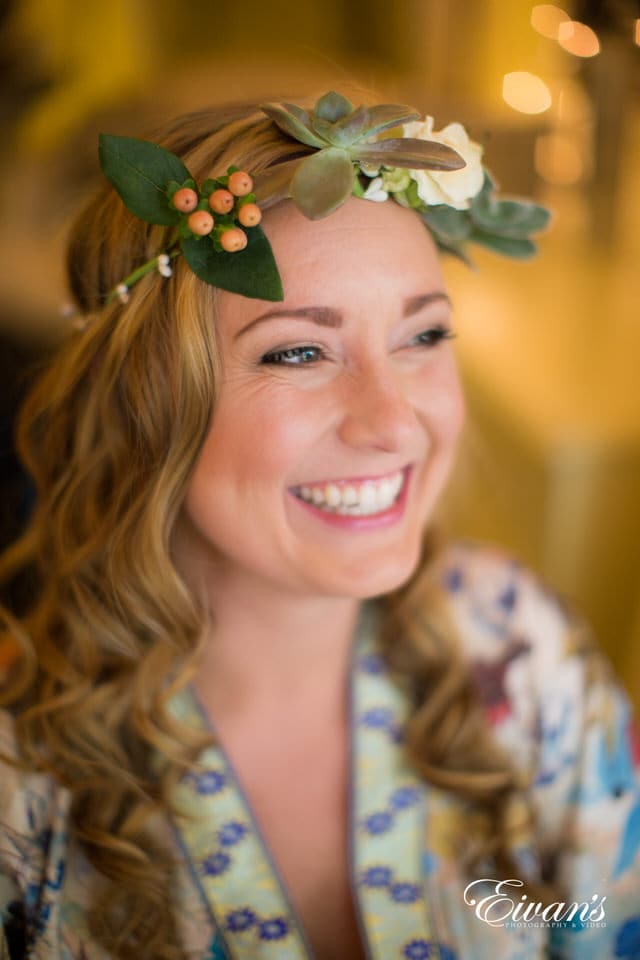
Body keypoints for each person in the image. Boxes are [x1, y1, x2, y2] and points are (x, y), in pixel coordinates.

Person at [0, 91, 638, 960]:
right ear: (144, 406)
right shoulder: (21, 790)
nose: (392, 422)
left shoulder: (524, 652)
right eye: (298, 350)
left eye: (423, 335)